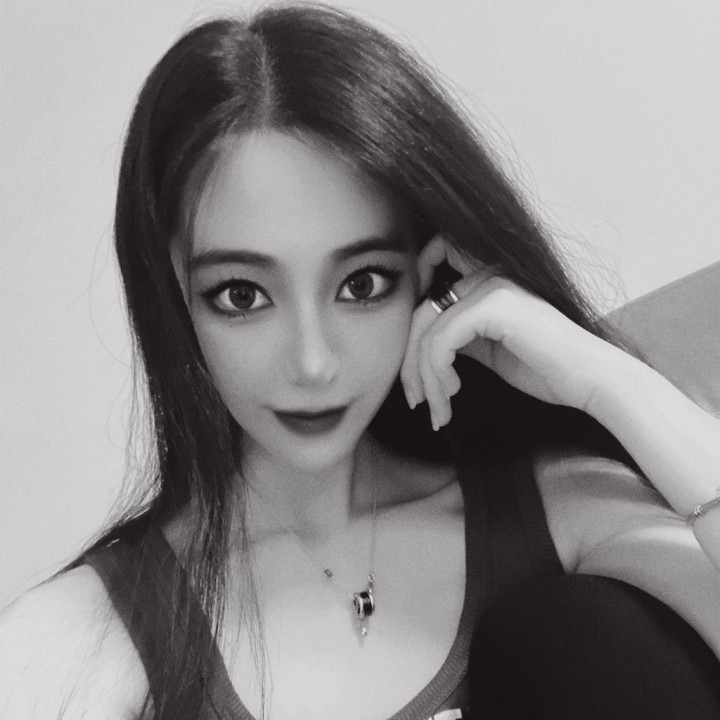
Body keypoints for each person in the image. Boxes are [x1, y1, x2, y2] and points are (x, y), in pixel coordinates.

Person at [1, 4, 719, 719]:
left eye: (362, 285)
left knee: (574, 636)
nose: (313, 363)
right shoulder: (88, 635)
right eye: (243, 295)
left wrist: (609, 384)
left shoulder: (555, 511)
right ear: (174, 294)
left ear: (426, 275)